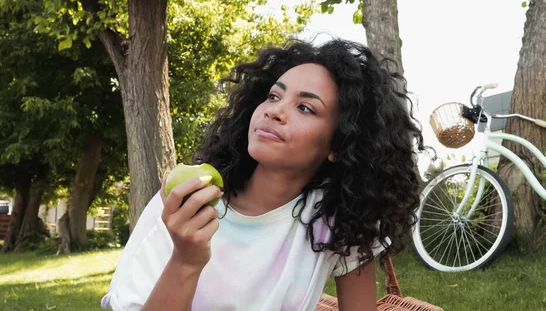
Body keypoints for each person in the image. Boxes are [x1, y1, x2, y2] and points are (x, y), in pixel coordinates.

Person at [101, 39, 425, 311]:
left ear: (340, 143)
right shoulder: (185, 202)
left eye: (305, 108)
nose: (274, 110)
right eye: (274, 96)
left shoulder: (337, 220)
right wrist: (186, 261)